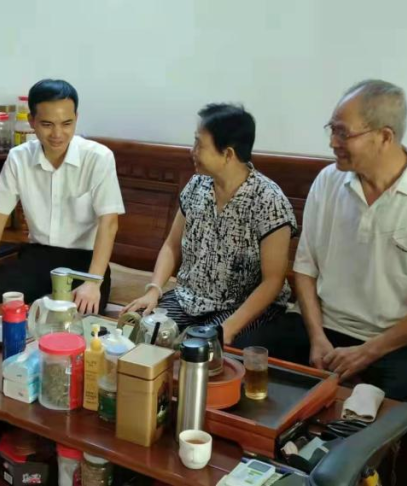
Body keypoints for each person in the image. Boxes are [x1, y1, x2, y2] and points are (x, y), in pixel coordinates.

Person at [259, 79, 407, 485]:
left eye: (342, 132)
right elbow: (305, 270)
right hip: (326, 326)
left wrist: (366, 352)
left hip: (400, 342)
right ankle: (261, 466)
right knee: (251, 354)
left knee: (403, 411)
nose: (332, 142)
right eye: (331, 129)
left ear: (384, 136)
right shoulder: (328, 182)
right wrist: (317, 337)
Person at [123, 104, 295, 345]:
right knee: (139, 332)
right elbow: (172, 246)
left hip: (240, 307)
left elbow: (272, 281)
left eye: (199, 145)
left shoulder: (268, 200)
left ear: (228, 154)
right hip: (189, 299)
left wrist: (229, 328)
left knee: (200, 350)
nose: (192, 151)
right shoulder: (197, 185)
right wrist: (154, 290)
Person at [0, 79, 125, 314]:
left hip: (85, 262)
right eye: (47, 124)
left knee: (74, 318)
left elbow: (109, 223)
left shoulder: (99, 158)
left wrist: (93, 282)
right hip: (37, 256)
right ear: (32, 121)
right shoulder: (18, 158)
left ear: (76, 118)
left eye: (67, 123)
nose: (58, 134)